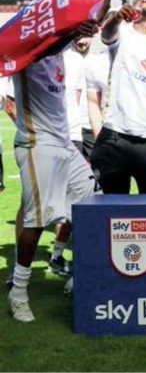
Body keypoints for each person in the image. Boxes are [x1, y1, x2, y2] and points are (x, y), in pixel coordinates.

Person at [8, 19, 101, 323]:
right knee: (36, 220)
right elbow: (50, 46)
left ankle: (80, 273)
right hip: (37, 143)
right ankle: (19, 291)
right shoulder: (27, 50)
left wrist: (109, 4)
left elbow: (86, 26)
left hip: (63, 142)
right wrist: (73, 32)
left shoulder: (63, 51)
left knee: (92, 201)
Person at [91, 0, 146, 195]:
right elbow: (107, 33)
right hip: (115, 137)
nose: (145, 0)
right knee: (110, 211)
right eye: (139, 0)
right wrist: (117, 18)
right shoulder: (124, 34)